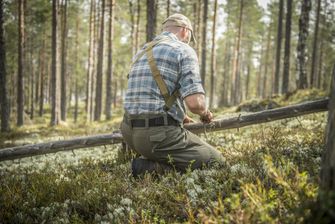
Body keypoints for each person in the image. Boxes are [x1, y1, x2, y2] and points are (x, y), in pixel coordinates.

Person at [121, 13, 226, 177]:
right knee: (217, 163)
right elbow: (195, 104)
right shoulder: (183, 50)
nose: (188, 41)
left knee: (171, 153)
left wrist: (181, 116)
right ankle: (146, 168)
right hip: (155, 136)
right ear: (185, 30)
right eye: (189, 38)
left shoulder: (142, 51)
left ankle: (149, 162)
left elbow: (152, 92)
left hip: (129, 132)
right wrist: (205, 113)